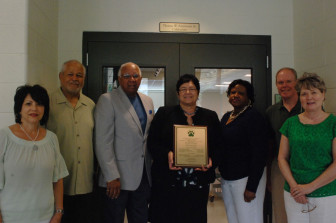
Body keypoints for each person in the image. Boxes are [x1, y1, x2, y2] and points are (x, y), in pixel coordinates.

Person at [147, 74, 221, 223]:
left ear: (198, 92)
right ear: (178, 93)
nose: (188, 92)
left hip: (197, 183)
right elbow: (152, 143)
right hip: (167, 182)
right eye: (184, 89)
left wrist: (212, 160)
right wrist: (167, 154)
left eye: (192, 88)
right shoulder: (164, 113)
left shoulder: (210, 116)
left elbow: (219, 146)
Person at [94, 62, 154, 223]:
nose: (132, 79)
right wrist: (111, 175)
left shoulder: (147, 101)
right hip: (116, 180)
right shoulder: (108, 100)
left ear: (140, 79)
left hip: (142, 178)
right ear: (119, 79)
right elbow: (103, 141)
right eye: (126, 76)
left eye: (135, 76)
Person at [0, 85, 69, 223]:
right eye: (28, 104)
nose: (34, 109)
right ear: (19, 108)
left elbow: (58, 179)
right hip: (10, 217)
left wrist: (59, 212)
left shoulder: (52, 139)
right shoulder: (4, 136)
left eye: (39, 104)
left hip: (46, 217)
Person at [278, 73, 336, 223]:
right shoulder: (290, 123)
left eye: (314, 92)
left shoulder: (333, 123)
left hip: (326, 193)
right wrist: (295, 187)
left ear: (323, 94)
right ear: (299, 97)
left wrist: (309, 187)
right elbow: (282, 158)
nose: (309, 98)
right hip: (294, 193)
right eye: (304, 94)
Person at [47, 60, 95, 223]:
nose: (75, 78)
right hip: (58, 185)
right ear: (61, 77)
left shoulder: (90, 105)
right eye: (70, 74)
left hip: (86, 184)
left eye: (79, 75)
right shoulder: (48, 104)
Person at [218, 79, 268, 223]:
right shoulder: (227, 117)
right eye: (233, 92)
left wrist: (252, 187)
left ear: (249, 97)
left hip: (246, 179)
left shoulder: (254, 117)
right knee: (233, 218)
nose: (235, 95)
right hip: (227, 178)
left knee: (249, 218)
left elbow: (259, 154)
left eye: (241, 93)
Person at [266, 67, 300, 223]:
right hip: (279, 169)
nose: (284, 85)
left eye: (288, 81)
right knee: (281, 211)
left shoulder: (307, 106)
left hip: (305, 168)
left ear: (296, 83)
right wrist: (268, 177)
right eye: (280, 82)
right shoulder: (271, 112)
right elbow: (269, 145)